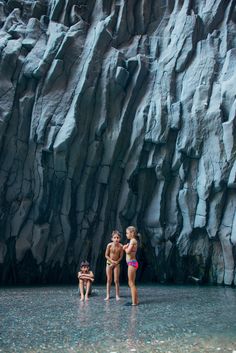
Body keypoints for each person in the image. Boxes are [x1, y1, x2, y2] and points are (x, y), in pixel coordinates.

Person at [104, 230, 124, 301]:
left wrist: (116, 262)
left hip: (116, 264)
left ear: (120, 239)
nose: (116, 239)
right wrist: (112, 261)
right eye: (115, 237)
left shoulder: (121, 246)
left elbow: (121, 256)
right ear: (112, 238)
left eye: (118, 238)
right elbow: (106, 255)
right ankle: (108, 295)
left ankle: (117, 295)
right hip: (109, 263)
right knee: (109, 279)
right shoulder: (109, 245)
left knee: (116, 280)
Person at [123, 226, 139, 306]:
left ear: (132, 233)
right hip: (132, 263)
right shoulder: (132, 241)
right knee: (132, 283)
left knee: (131, 283)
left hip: (132, 263)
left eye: (127, 233)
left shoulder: (133, 240)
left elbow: (128, 252)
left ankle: (134, 302)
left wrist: (124, 248)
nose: (126, 235)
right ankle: (136, 300)